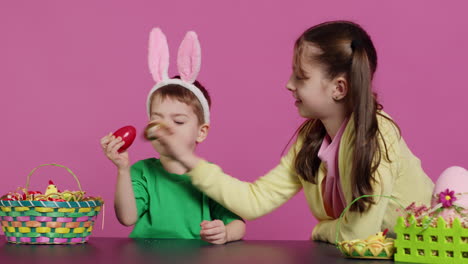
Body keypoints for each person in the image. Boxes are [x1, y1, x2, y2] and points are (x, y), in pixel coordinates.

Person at [149, 21, 434, 243]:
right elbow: (253, 201)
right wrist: (187, 158)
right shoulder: (310, 139)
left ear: (339, 88)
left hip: (420, 250)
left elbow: (359, 234)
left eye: (300, 76)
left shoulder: (377, 137)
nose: (288, 84)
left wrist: (322, 229)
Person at [100, 28, 245, 244]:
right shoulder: (143, 172)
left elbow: (239, 225)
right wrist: (122, 169)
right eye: (157, 119)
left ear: (201, 132)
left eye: (178, 121)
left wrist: (225, 233)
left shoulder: (208, 178)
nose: (165, 129)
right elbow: (127, 218)